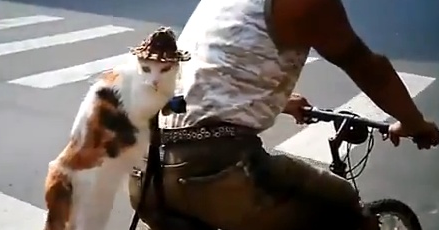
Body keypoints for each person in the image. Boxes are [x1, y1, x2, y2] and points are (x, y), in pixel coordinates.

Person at [127, 0, 439, 229]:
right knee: (343, 205)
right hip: (216, 170)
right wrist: (415, 124)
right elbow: (370, 70)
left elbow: (210, 69)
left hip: (148, 172)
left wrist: (282, 102)